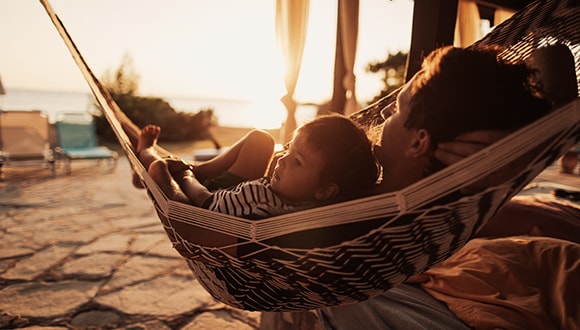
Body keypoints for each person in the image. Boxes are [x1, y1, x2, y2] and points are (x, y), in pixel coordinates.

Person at [137, 113, 379, 219]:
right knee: (261, 139)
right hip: (233, 199)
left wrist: (186, 176)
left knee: (160, 167)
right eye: (288, 150)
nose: (281, 160)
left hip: (201, 203)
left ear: (326, 190)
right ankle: (197, 167)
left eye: (297, 161)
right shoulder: (321, 204)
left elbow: (206, 204)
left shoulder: (260, 197)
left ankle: (145, 151)